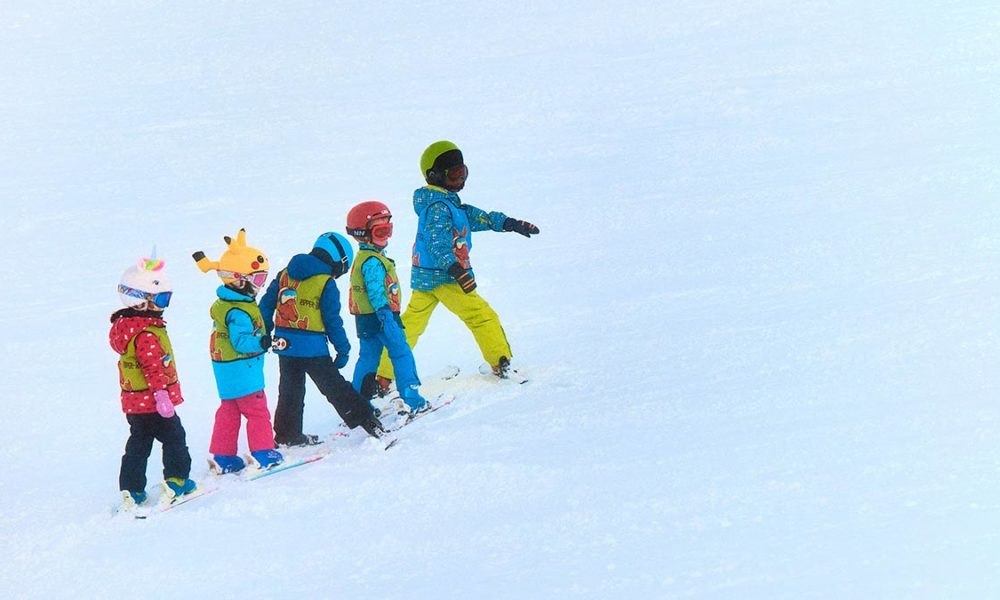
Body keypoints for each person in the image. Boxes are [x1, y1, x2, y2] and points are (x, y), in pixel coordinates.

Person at [373, 141, 539, 393]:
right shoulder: (439, 207)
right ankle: (500, 362)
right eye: (454, 174)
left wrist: (510, 223)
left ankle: (383, 376)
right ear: (435, 175)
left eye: (464, 172)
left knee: (411, 324)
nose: (461, 179)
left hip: (426, 276)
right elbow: (436, 243)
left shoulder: (447, 203)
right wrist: (455, 269)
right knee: (481, 316)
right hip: (446, 277)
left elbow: (478, 216)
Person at [258, 232, 385, 444]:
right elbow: (332, 321)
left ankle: (288, 434)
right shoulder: (326, 283)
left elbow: (266, 305)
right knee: (334, 387)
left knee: (290, 390)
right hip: (313, 349)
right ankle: (366, 418)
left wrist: (264, 332)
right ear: (339, 261)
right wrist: (342, 349)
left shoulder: (284, 274)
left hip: (285, 346)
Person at [193, 229, 284, 473]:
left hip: (226, 370)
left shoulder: (226, 304)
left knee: (229, 410)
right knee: (257, 411)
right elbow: (241, 342)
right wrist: (263, 342)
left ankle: (223, 455)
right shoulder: (239, 311)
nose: (259, 286)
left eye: (262, 279)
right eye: (256, 280)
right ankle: (264, 452)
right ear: (237, 279)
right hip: (243, 368)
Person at [110, 255, 197, 508]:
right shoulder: (147, 333)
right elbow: (153, 368)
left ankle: (132, 488)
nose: (163, 306)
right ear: (139, 302)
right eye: (160, 299)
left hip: (134, 403)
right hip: (155, 402)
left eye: (166, 299)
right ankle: (178, 481)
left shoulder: (127, 327)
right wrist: (161, 396)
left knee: (138, 442)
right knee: (175, 438)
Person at [345, 201, 426, 414]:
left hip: (366, 319)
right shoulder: (371, 261)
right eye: (380, 232)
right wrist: (385, 315)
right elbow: (375, 291)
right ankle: (412, 398)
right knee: (401, 353)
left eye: (388, 230)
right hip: (382, 316)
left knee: (369, 358)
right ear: (362, 234)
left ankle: (358, 404)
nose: (386, 237)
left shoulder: (366, 257)